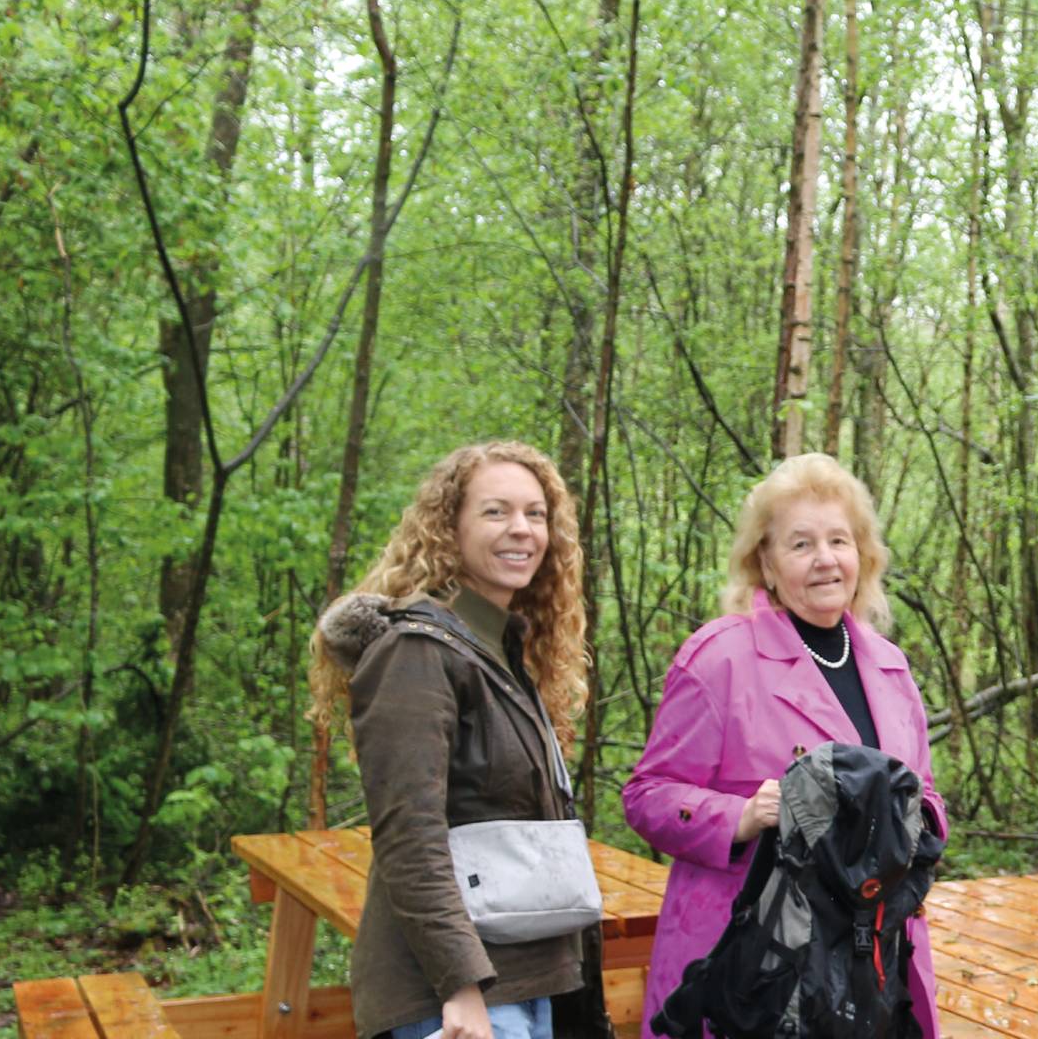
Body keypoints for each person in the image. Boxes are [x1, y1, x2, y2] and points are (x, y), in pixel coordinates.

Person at [624, 454, 948, 1037]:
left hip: (871, 965)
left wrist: (915, 819)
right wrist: (741, 816)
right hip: (754, 969)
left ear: (863, 556)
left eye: (838, 541)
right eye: (801, 545)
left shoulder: (890, 666)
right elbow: (647, 795)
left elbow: (925, 793)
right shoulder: (718, 658)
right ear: (766, 565)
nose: (825, 560)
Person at [307, 441, 607, 1039]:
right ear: (451, 528)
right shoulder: (416, 652)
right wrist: (461, 986)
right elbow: (409, 837)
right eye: (496, 512)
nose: (520, 530)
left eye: (536, 514)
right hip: (454, 994)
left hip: (524, 976)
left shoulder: (501, 649)